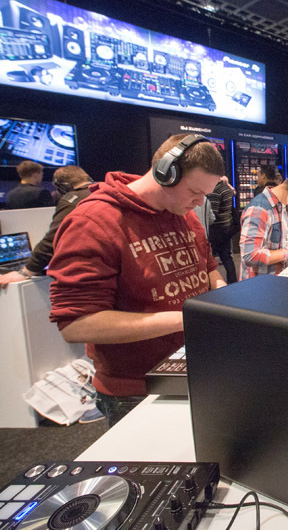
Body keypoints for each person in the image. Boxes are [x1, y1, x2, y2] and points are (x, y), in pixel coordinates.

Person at [48, 134, 227, 426]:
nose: (200, 202)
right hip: (133, 390)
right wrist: (186, 319)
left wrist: (222, 298)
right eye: (195, 192)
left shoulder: (184, 214)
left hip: (189, 369)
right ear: (165, 173)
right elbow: (76, 324)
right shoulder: (94, 221)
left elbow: (208, 269)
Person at [0, 166, 94, 291]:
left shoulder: (72, 201)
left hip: (88, 273)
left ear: (63, 187)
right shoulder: (101, 192)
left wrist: (26, 271)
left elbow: (55, 237)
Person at [239, 167, 288, 280]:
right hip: (260, 285)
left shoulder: (287, 207)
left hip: (280, 281)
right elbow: (250, 255)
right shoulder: (259, 209)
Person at [207, 176, 238, 284]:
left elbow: (212, 213)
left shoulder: (216, 190)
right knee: (227, 257)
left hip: (217, 229)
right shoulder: (227, 189)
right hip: (227, 226)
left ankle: (212, 282)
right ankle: (232, 281)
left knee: (209, 258)